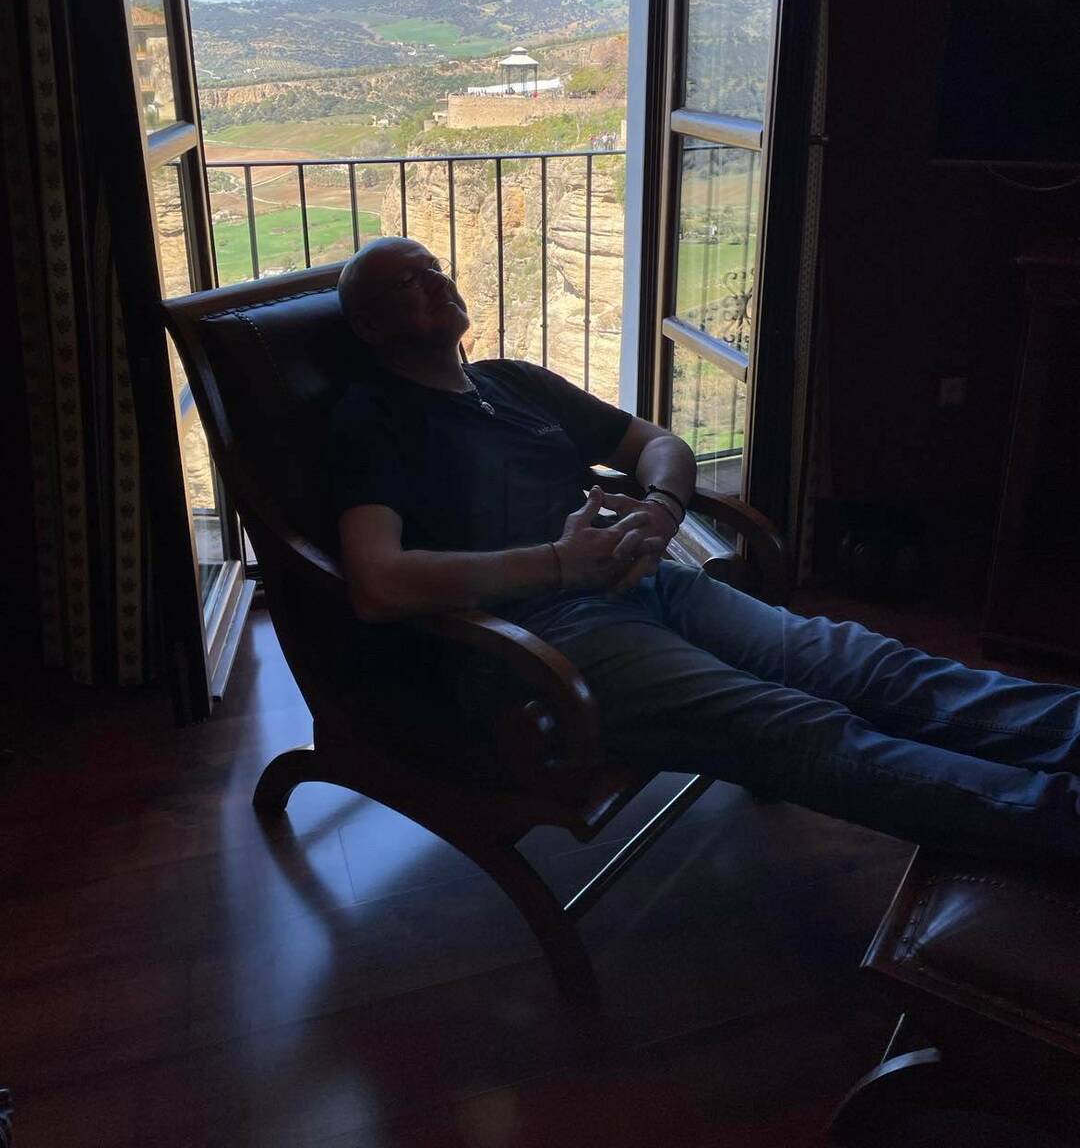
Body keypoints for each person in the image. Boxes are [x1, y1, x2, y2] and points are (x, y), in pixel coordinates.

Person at [331, 236, 1080, 863]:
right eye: (408, 281)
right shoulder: (372, 420)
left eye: (434, 267)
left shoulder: (512, 382)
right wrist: (558, 563)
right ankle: (1056, 819)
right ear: (368, 325)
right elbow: (378, 583)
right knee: (798, 728)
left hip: (650, 580)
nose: (435, 280)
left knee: (870, 666)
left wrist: (661, 510)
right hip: (542, 633)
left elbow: (659, 443)